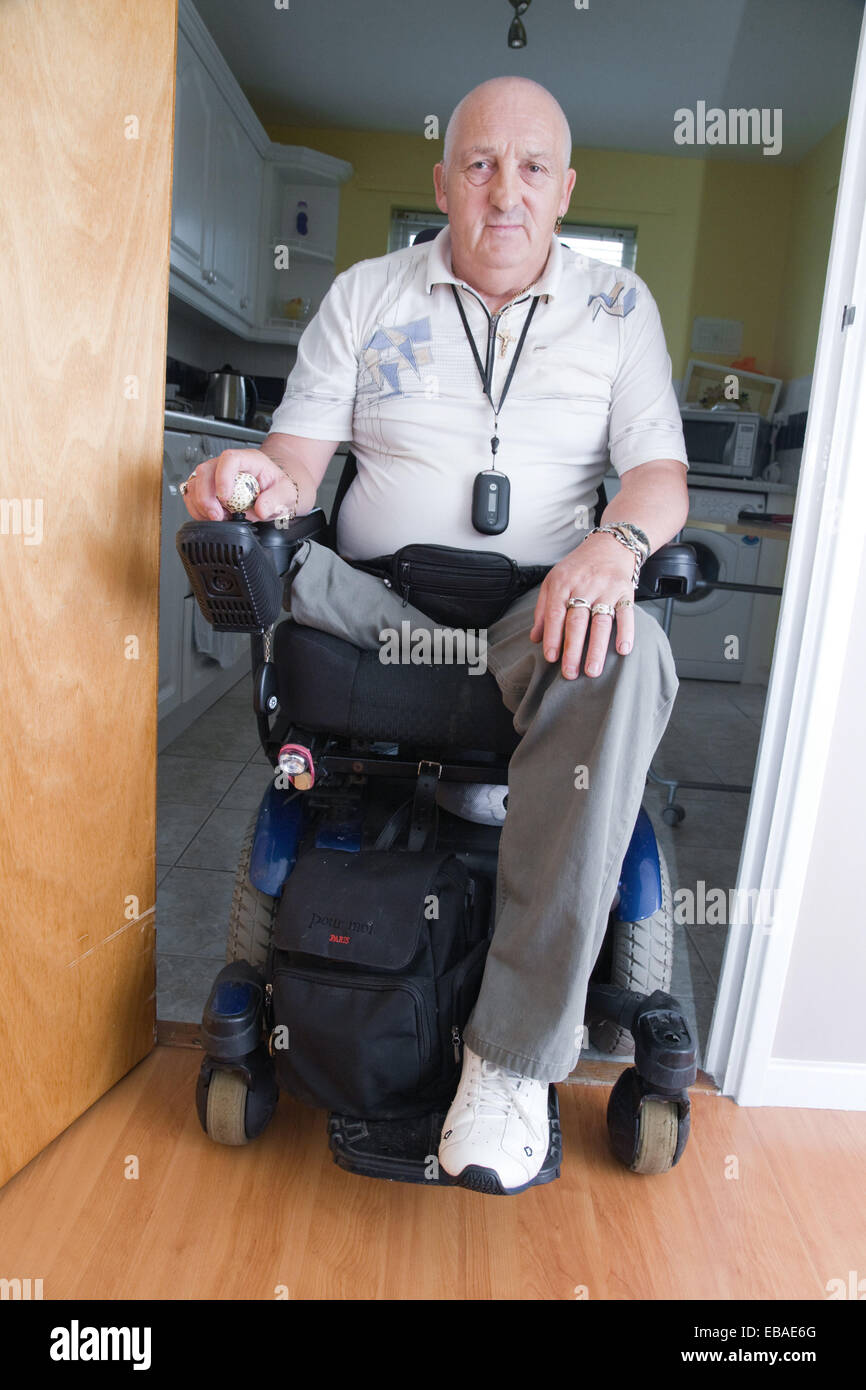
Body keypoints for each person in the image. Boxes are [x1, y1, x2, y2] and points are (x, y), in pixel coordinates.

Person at [181, 76, 689, 1195]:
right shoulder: (367, 294)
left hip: (532, 618)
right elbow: (296, 468)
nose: (503, 190)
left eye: (530, 167)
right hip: (375, 609)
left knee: (625, 644)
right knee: (268, 552)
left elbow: (657, 472)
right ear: (441, 178)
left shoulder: (618, 309)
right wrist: (246, 481)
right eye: (478, 162)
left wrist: (615, 542)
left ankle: (506, 1065)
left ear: (564, 188)